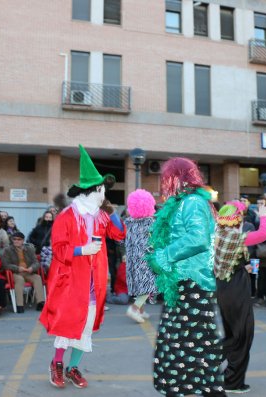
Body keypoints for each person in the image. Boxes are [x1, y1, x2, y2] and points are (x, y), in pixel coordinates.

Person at [39, 145, 125, 390]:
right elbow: (58, 249)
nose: (104, 193)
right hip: (70, 280)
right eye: (101, 189)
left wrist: (113, 212)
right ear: (91, 190)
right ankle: (56, 363)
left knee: (85, 326)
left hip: (94, 280)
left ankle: (73, 367)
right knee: (68, 324)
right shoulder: (67, 216)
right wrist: (81, 250)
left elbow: (119, 235)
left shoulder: (101, 215)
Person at [147, 157, 224, 397]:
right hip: (183, 280)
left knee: (191, 339)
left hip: (193, 280)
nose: (164, 183)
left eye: (167, 177)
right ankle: (182, 387)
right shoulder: (183, 202)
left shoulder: (191, 202)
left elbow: (198, 239)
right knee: (182, 338)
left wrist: (163, 256)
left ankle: (199, 388)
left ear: (178, 177)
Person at [214, 200, 266, 394]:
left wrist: (242, 267)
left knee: (233, 334)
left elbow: (227, 262)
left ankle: (207, 363)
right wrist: (263, 215)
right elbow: (264, 234)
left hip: (223, 288)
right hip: (236, 289)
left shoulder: (217, 234)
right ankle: (231, 382)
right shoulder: (236, 237)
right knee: (242, 335)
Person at [124, 189, 157, 324]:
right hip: (146, 257)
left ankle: (141, 311)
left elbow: (122, 240)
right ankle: (134, 308)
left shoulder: (128, 222)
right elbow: (156, 240)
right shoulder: (151, 222)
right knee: (149, 284)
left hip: (132, 258)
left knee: (140, 285)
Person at [0, 231, 45, 313]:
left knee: (37, 277)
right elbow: (5, 264)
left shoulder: (29, 249)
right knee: (20, 280)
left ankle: (40, 302)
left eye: (19, 239)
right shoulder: (7, 250)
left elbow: (36, 262)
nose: (16, 241)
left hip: (28, 271)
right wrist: (17, 268)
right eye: (14, 239)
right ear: (12, 240)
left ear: (23, 241)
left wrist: (32, 268)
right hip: (15, 272)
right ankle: (19, 305)